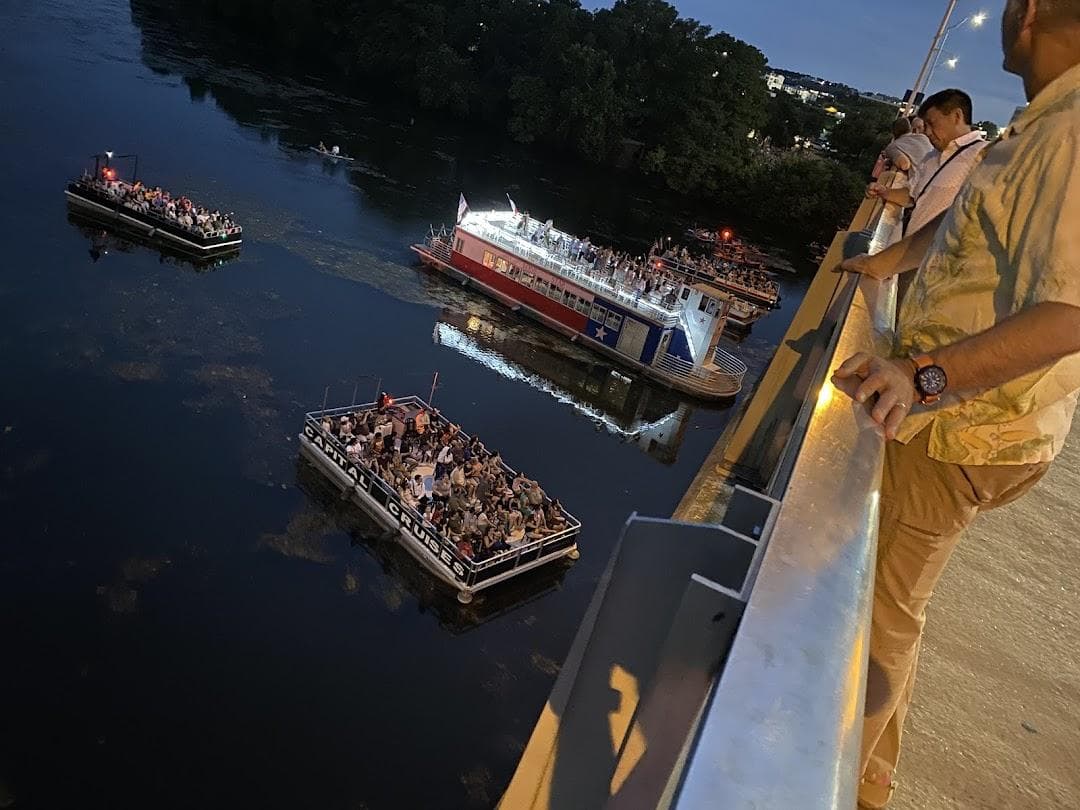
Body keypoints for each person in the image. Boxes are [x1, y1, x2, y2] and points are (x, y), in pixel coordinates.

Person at [834, 3, 1080, 806]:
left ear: (1031, 13)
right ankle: (871, 777)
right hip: (970, 422)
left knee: (880, 617)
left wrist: (922, 377)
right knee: (892, 605)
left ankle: (838, 783)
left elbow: (1071, 312)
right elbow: (953, 242)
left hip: (966, 430)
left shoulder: (1071, 130)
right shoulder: (1038, 124)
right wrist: (877, 270)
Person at [865, 89, 988, 239]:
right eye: (925, 126)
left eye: (931, 123)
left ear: (957, 116)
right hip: (907, 252)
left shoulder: (984, 157)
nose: (927, 132)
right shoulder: (931, 156)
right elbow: (911, 197)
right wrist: (884, 191)